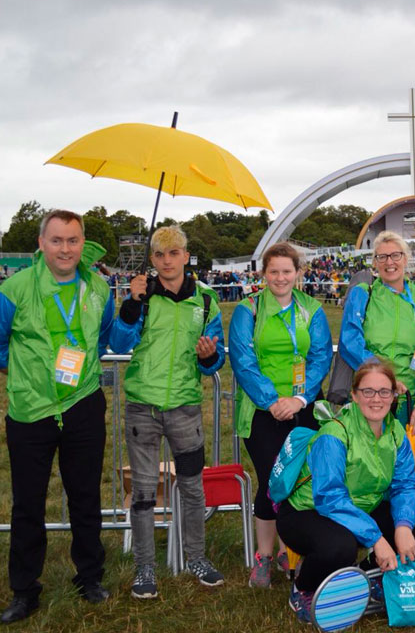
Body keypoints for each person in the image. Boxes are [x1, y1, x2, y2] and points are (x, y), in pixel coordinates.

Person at [0, 211, 115, 623]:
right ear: (41, 243)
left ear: (82, 243)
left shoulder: (99, 287)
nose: (65, 249)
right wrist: (26, 376)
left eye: (73, 240)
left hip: (83, 404)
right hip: (31, 409)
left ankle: (89, 578)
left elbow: (103, 337)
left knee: (86, 496)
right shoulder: (14, 288)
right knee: (28, 503)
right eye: (57, 240)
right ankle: (24, 591)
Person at [110, 225, 227, 598]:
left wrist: (210, 357)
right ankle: (145, 567)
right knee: (144, 492)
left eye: (173, 253)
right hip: (142, 405)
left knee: (192, 489)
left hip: (185, 407)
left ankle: (197, 558)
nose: (166, 261)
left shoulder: (206, 300)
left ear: (185, 255)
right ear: (153, 259)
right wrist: (131, 306)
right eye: (159, 255)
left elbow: (215, 358)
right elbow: (117, 343)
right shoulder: (143, 294)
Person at [276, 363, 415, 624]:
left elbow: (406, 484)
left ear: (394, 396)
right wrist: (377, 538)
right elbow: (330, 497)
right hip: (307, 511)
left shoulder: (395, 431)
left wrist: (403, 525)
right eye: (368, 391)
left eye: (385, 392)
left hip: (360, 507)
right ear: (354, 395)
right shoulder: (335, 432)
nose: (377, 399)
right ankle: (304, 587)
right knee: (340, 547)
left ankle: (367, 575)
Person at [228, 242, 333, 588]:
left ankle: (297, 555)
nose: (280, 277)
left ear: (298, 273)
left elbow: (320, 357)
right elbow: (243, 360)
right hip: (263, 411)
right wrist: (272, 400)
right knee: (274, 482)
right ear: (264, 274)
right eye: (273, 271)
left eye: (287, 271)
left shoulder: (312, 309)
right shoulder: (248, 310)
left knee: (303, 481)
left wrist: (300, 399)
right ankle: (264, 557)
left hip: (303, 408)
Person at [339, 231, 415, 433]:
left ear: (406, 259)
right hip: (370, 392)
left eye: (396, 255)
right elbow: (350, 342)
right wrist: (384, 376)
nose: (389, 262)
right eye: (382, 257)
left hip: (406, 399)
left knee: (402, 458)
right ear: (375, 263)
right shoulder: (363, 293)